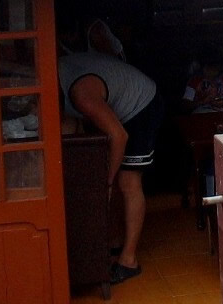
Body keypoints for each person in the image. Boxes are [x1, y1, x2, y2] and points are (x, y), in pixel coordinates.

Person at [58, 47, 163, 285]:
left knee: (127, 181)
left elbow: (119, 136)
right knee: (113, 177)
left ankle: (128, 261)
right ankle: (115, 241)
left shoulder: (80, 94)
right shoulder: (59, 74)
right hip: (117, 102)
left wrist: (105, 182)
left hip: (141, 104)